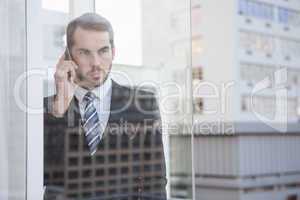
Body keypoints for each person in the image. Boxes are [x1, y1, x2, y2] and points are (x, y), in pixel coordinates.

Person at [44, 13, 167, 200]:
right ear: (68, 56)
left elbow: (155, 183)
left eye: (103, 51)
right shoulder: (48, 108)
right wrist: (59, 109)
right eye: (85, 52)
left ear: (113, 51)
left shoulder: (143, 103)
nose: (96, 63)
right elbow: (44, 176)